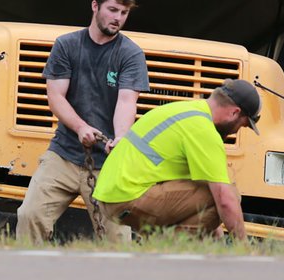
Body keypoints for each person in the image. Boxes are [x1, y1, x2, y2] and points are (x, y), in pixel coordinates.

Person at [16, 0, 149, 243]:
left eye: (124, 13)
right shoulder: (67, 45)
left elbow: (126, 102)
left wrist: (121, 137)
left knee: (117, 238)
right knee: (29, 215)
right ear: (95, 6)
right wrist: (80, 127)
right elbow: (55, 96)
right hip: (63, 153)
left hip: (108, 163)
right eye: (112, 10)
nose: (118, 18)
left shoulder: (131, 54)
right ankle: (26, 276)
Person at [92, 79, 262, 239]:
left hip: (110, 194)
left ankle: (166, 249)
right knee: (231, 194)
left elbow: (203, 193)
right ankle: (167, 249)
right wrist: (245, 253)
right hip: (128, 198)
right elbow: (224, 201)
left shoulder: (182, 110)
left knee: (211, 190)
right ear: (234, 112)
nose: (237, 131)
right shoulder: (203, 130)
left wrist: (216, 237)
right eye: (243, 125)